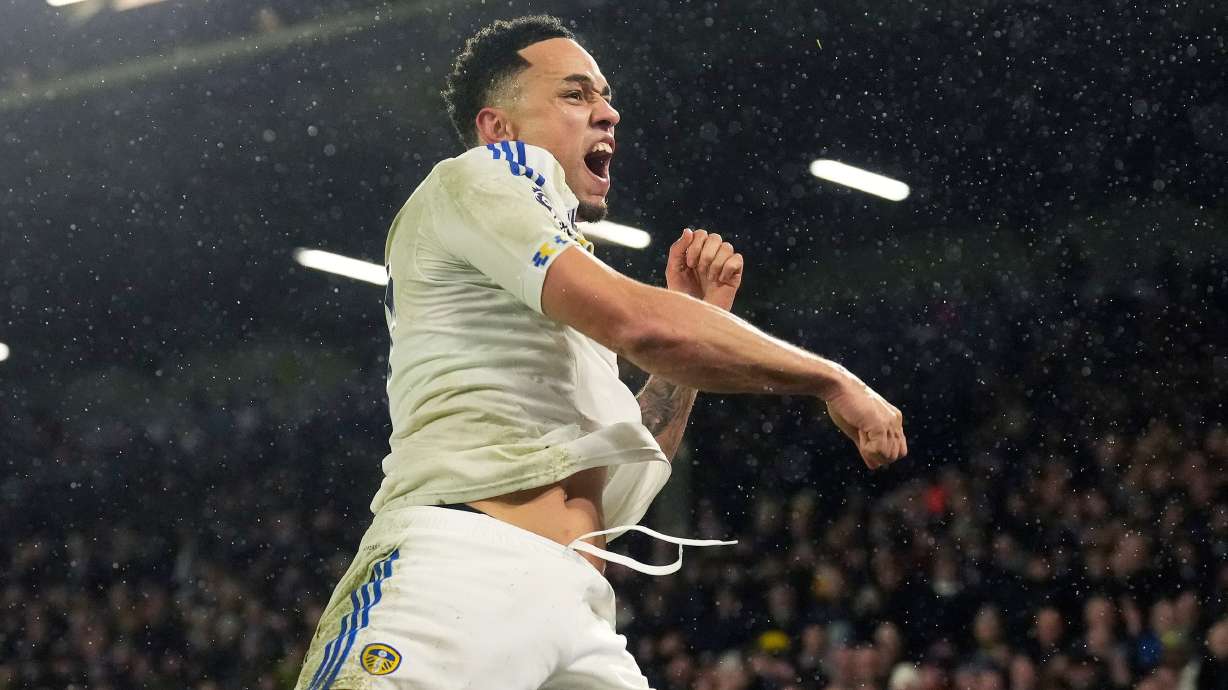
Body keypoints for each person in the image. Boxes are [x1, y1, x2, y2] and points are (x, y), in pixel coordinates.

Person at [294, 15, 907, 690]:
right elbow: (640, 324)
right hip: (456, 571)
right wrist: (831, 379)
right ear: (498, 128)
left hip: (575, 604)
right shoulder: (477, 176)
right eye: (575, 94)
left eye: (605, 95)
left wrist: (698, 323)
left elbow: (630, 453)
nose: (608, 112)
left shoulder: (542, 285)